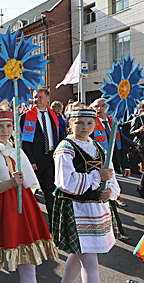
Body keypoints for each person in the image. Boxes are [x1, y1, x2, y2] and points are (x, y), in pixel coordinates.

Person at [0, 107, 58, 283]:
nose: (5, 130)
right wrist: (9, 183)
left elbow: (29, 183)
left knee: (28, 259)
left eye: (9, 126)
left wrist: (19, 181)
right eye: (0, 126)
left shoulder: (14, 150)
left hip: (22, 208)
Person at [52, 105, 120, 283]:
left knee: (79, 253)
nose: (85, 127)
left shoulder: (98, 146)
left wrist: (110, 191)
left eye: (90, 123)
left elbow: (110, 173)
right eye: (79, 123)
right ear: (70, 123)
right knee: (91, 263)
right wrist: (97, 176)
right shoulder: (65, 147)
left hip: (96, 210)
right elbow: (65, 182)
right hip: (77, 209)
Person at [20, 88, 62, 228]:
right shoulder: (27, 116)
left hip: (50, 159)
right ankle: (31, 226)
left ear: (48, 99)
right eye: (35, 97)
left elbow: (58, 136)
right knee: (31, 193)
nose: (37, 100)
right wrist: (31, 161)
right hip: (35, 161)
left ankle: (53, 227)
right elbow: (25, 142)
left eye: (40, 97)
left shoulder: (53, 115)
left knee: (51, 193)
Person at [90, 98, 131, 239]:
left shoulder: (113, 121)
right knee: (108, 198)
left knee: (110, 197)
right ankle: (118, 230)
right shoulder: (92, 124)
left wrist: (125, 164)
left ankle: (114, 230)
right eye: (96, 106)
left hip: (112, 162)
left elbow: (120, 143)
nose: (99, 109)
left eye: (102, 106)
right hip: (99, 166)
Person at [130, 107, 144, 198]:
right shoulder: (138, 119)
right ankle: (141, 189)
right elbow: (131, 132)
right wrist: (139, 130)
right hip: (141, 146)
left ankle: (141, 188)